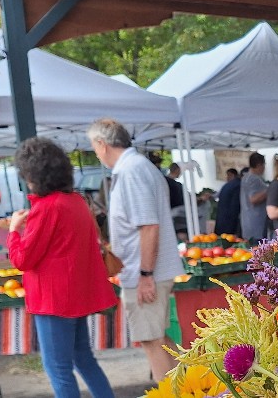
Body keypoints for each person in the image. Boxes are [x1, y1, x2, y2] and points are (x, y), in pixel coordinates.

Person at [7, 137, 117, 398]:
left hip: (53, 299)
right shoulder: (76, 201)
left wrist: (13, 231)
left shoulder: (46, 208)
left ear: (33, 175)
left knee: (58, 368)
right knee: (83, 360)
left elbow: (22, 260)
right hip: (75, 294)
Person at [86, 118, 183, 383]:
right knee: (158, 339)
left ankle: (173, 392)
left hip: (145, 272)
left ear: (102, 144)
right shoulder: (136, 167)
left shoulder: (131, 170)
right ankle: (193, 388)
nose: (96, 154)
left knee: (152, 340)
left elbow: (149, 226)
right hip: (146, 270)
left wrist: (145, 275)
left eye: (94, 147)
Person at [240, 154, 269, 242]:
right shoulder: (254, 179)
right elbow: (253, 199)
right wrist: (270, 190)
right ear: (259, 165)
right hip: (256, 224)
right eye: (264, 165)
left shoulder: (246, 177)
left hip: (248, 222)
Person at [164, 163, 188, 243]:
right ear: (177, 170)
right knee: (181, 231)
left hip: (168, 211)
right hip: (176, 211)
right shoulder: (174, 184)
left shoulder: (164, 181)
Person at [215, 169, 242, 236]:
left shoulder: (227, 186)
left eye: (228, 175)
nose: (227, 177)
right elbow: (235, 206)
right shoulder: (237, 186)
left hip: (222, 220)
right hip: (229, 221)